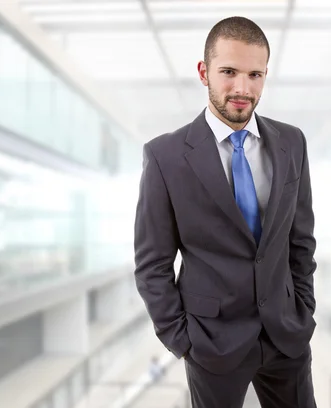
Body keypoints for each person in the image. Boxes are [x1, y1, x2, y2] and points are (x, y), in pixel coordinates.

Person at [133, 16, 317, 408]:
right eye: (229, 72)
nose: (242, 88)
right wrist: (181, 340)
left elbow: (301, 240)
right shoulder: (165, 157)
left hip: (286, 334)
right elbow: (152, 263)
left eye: (255, 75)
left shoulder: (292, 143)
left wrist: (303, 310)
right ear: (204, 72)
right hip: (211, 342)